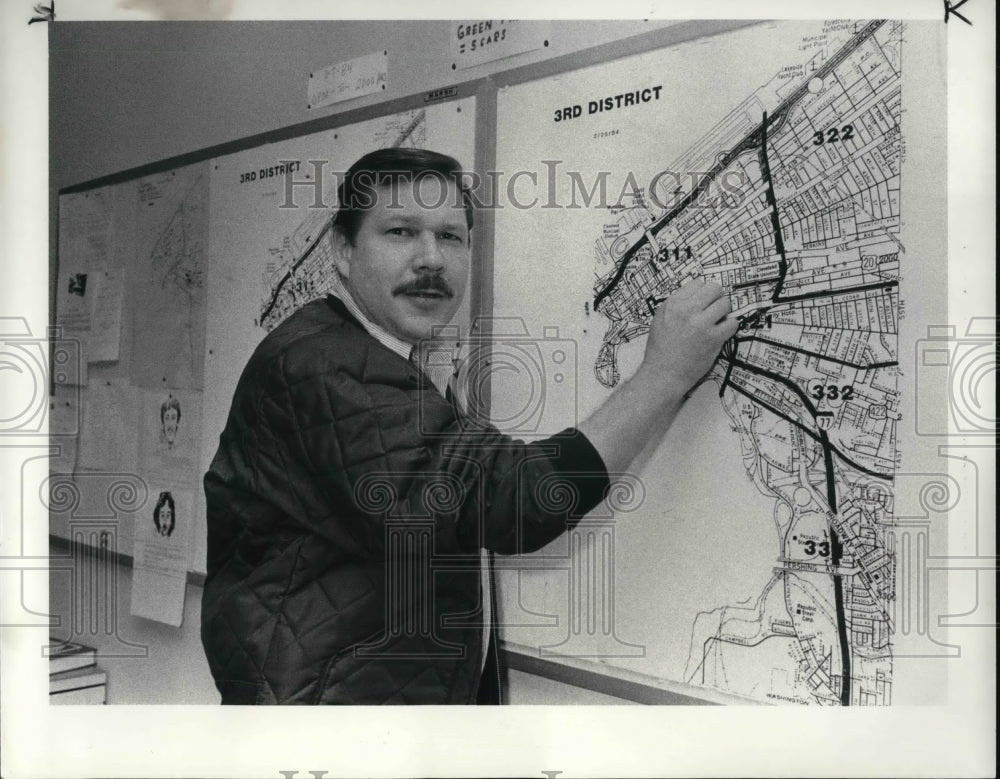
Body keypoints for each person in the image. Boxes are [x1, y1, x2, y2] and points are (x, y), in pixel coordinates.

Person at [200, 147, 737, 705]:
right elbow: (516, 500)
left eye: (451, 237)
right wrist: (664, 374)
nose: (431, 259)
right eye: (401, 232)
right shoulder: (324, 366)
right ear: (342, 250)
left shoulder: (380, 357)